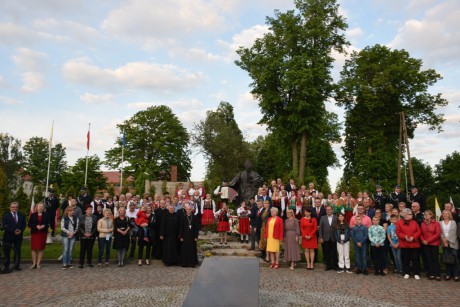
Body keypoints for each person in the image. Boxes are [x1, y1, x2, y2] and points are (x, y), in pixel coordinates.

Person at [396, 208, 421, 280]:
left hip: (414, 244)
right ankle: (406, 272)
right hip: (404, 244)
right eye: (410, 214)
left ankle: (416, 273)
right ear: (405, 215)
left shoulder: (414, 222)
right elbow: (398, 232)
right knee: (405, 259)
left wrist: (413, 237)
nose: (411, 215)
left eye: (411, 214)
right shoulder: (399, 222)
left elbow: (418, 231)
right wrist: (405, 237)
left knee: (415, 258)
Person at [2, 202, 26, 274]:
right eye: (13, 207)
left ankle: (16, 265)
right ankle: (6, 266)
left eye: (16, 207)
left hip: (18, 236)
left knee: (17, 250)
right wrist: (13, 231)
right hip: (8, 236)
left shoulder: (21, 215)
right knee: (7, 251)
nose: (15, 208)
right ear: (10, 208)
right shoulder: (6, 216)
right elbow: (5, 226)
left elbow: (24, 224)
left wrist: (21, 230)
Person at [28, 202, 50, 269]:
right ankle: (34, 263)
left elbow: (48, 223)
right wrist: (35, 226)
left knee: (41, 248)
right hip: (35, 233)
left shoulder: (46, 215)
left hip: (43, 233)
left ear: (43, 208)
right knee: (33, 248)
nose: (40, 208)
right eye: (39, 206)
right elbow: (29, 224)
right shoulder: (33, 215)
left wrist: (44, 225)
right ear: (36, 208)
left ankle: (38, 264)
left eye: (42, 206)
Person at [420, 210, 441, 281]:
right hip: (425, 244)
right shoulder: (422, 223)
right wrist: (423, 240)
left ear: (431, 215)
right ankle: (431, 273)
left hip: (434, 244)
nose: (426, 216)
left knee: (435, 259)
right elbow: (421, 233)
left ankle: (437, 274)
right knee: (428, 259)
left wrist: (428, 241)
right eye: (425, 215)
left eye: (427, 214)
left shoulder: (436, 223)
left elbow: (437, 234)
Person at [440, 210, 459, 281]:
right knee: (447, 259)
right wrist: (444, 241)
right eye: (443, 213)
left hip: (453, 243)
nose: (445, 215)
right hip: (444, 243)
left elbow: (454, 232)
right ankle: (448, 274)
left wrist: (447, 241)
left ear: (449, 214)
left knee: (455, 259)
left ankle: (456, 275)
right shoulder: (440, 222)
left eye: (446, 213)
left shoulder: (453, 222)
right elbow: (440, 233)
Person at [78, 205, 98, 269]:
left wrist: (91, 234)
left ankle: (89, 263)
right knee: (82, 250)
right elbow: (79, 227)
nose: (90, 210)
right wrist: (84, 233)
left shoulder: (95, 217)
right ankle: (81, 263)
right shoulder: (81, 217)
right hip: (83, 236)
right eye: (89, 209)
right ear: (86, 210)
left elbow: (95, 227)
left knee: (90, 250)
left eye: (91, 209)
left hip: (91, 237)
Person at [318, 206, 338, 271]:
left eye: (329, 210)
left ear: (332, 210)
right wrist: (320, 237)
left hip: (334, 237)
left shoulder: (336, 217)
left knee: (334, 252)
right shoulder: (323, 218)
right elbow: (320, 228)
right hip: (325, 237)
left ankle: (335, 265)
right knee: (327, 252)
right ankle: (328, 265)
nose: (328, 211)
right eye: (327, 210)